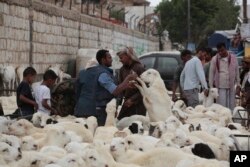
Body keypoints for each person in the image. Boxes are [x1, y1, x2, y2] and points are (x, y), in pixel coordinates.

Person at [74, 49, 137, 126]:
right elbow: (115, 91)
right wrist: (128, 78)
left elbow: (77, 91)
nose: (112, 60)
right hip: (97, 112)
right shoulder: (102, 74)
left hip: (81, 110)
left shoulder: (83, 72)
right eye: (109, 58)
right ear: (103, 60)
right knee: (98, 135)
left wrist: (126, 85)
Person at [116, 47, 146, 120]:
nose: (120, 60)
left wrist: (132, 100)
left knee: (137, 127)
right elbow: (120, 88)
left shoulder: (139, 68)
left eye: (121, 58)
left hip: (138, 104)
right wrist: (117, 106)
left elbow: (145, 88)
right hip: (127, 103)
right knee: (121, 124)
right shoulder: (122, 70)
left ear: (128, 56)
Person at [209, 42, 240, 111]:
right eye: (219, 51)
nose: (221, 52)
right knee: (222, 106)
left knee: (232, 105)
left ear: (226, 48)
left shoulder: (233, 57)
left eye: (222, 50)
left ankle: (231, 119)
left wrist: (238, 84)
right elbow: (211, 73)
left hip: (231, 85)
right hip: (220, 86)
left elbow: (237, 71)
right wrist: (211, 87)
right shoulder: (214, 59)